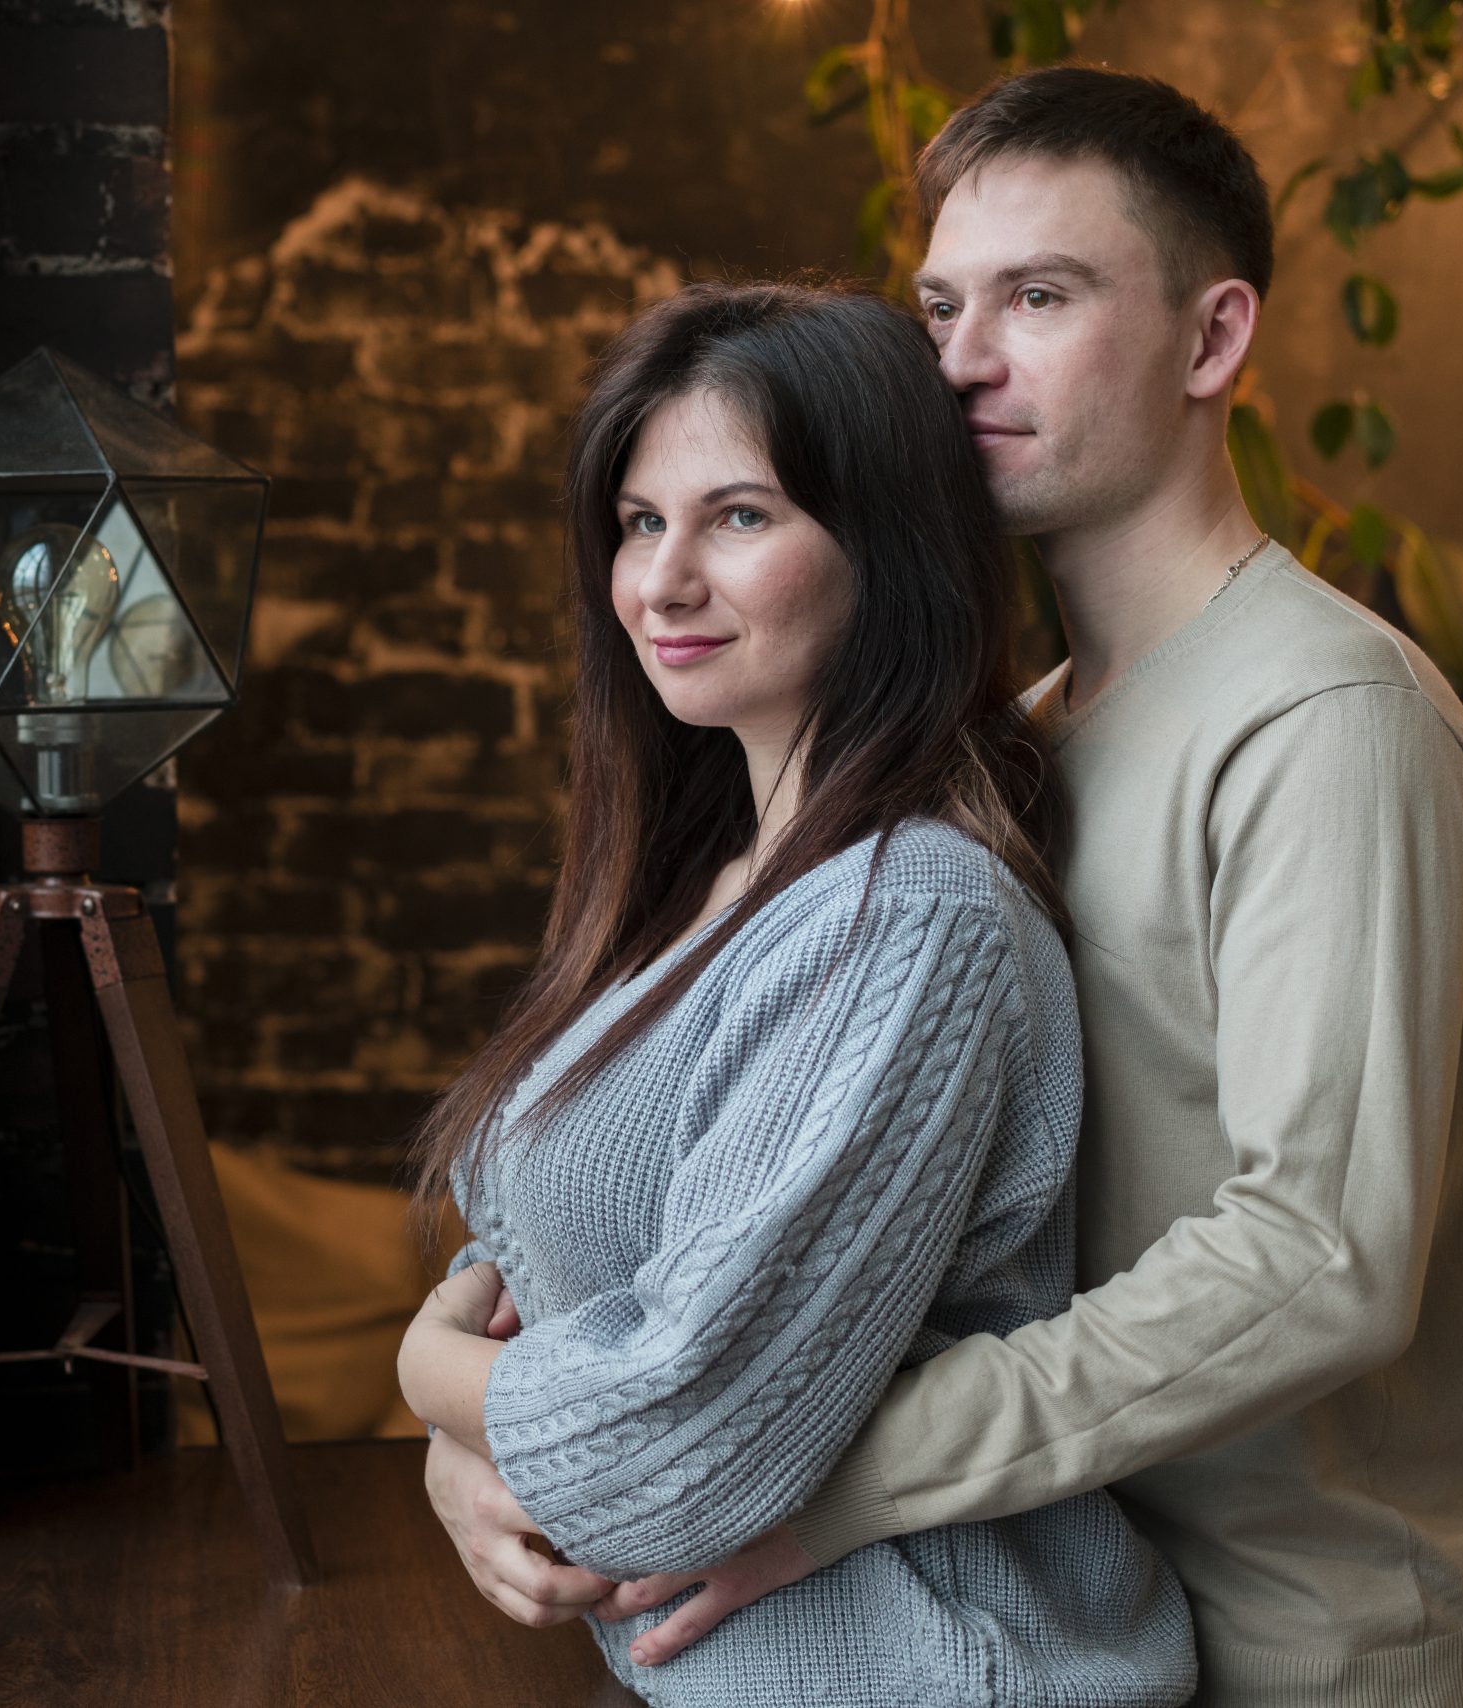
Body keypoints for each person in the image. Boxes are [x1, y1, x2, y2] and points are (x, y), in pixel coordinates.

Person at [420, 66, 1463, 1708]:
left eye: (1042, 297)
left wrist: (810, 1483)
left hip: (1305, 1651)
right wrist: (481, 1444)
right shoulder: (1009, 743)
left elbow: (1319, 1259)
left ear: (1214, 341)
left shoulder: (1326, 723)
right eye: (941, 303)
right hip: (1052, 1595)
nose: (962, 360)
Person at [392, 278, 1197, 1706]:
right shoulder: (713, 876)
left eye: (740, 516)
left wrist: (430, 1385)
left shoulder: (909, 920)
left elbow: (664, 1453)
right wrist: (477, 1443)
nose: (662, 581)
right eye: (642, 522)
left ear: (886, 548)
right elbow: (579, 1232)